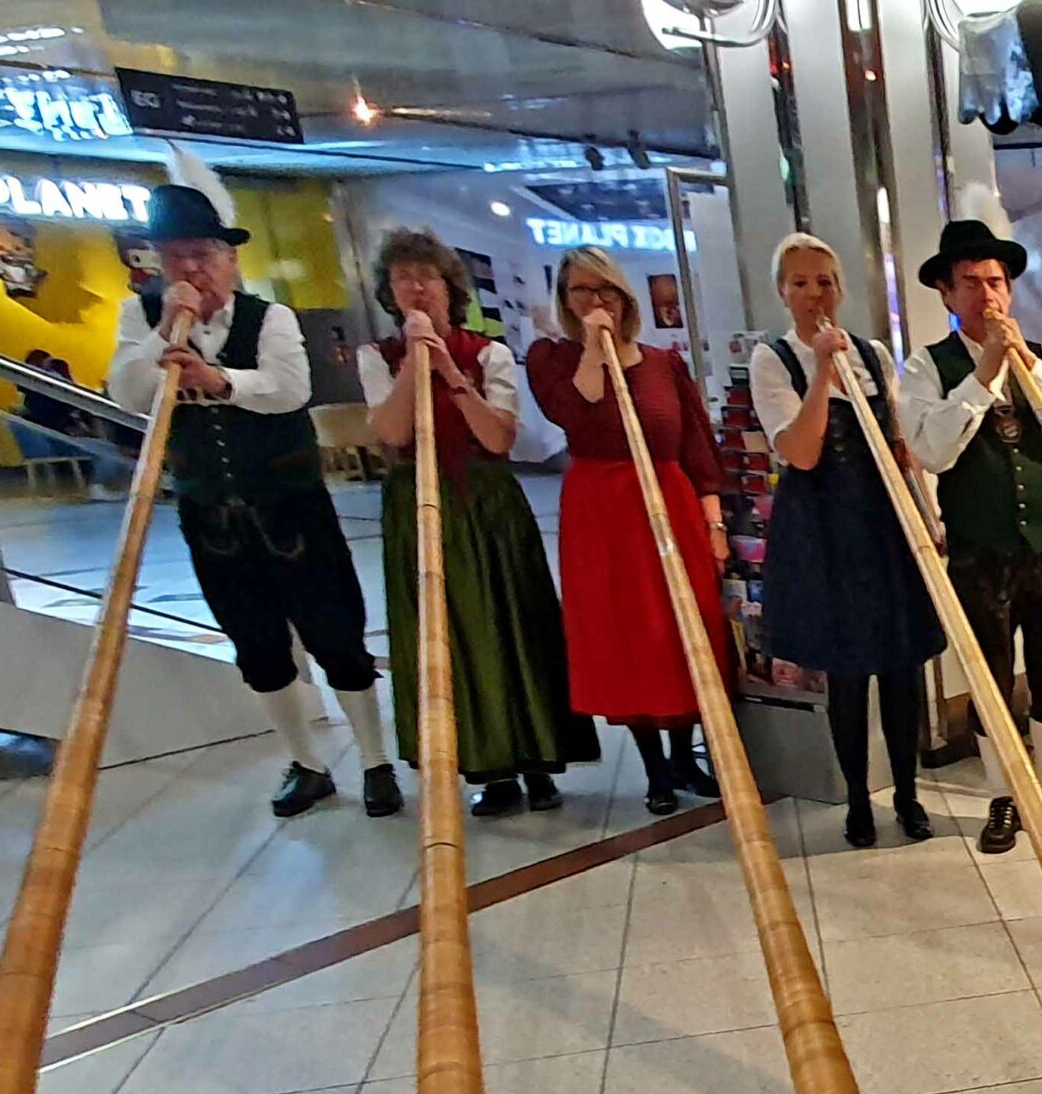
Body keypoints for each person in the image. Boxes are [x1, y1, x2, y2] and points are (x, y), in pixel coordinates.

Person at [107, 185, 398, 818]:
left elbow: (289, 389)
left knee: (337, 635)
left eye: (204, 254)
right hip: (211, 513)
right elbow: (127, 393)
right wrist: (162, 336)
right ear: (159, 261)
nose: (192, 268)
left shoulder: (271, 318)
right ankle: (307, 763)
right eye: (177, 255)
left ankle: (376, 762)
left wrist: (218, 381)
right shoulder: (139, 318)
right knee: (257, 645)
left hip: (291, 505)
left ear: (229, 258)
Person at [358, 228, 596, 816]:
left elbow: (498, 437)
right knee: (452, 635)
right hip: (417, 504)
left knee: (514, 624)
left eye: (427, 277)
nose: (417, 288)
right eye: (403, 278)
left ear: (450, 287)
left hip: (487, 503)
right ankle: (491, 768)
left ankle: (538, 759)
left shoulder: (488, 354)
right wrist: (413, 365)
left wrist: (449, 370)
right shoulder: (377, 357)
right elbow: (391, 432)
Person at [901, 218, 1042, 855]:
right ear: (946, 293)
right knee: (990, 680)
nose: (986, 295)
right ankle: (1003, 795)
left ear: (1010, 291)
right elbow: (930, 451)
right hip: (977, 549)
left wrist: (1027, 367)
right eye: (970, 283)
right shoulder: (926, 367)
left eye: (995, 282)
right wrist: (983, 373)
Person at [749, 234, 944, 848]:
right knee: (848, 671)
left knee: (902, 663)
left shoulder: (874, 354)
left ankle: (908, 794)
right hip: (823, 530)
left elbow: (899, 444)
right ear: (782, 291)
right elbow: (801, 452)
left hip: (884, 523)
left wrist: (928, 516)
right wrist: (821, 372)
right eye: (801, 283)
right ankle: (858, 799)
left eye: (826, 281)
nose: (815, 294)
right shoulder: (773, 359)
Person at [524, 248, 728, 817]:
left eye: (606, 290)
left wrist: (713, 522)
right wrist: (596, 347)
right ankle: (653, 767)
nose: (597, 301)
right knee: (626, 635)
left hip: (671, 503)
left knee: (682, 631)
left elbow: (695, 446)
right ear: (565, 300)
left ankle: (684, 754)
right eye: (582, 290)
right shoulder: (550, 359)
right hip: (604, 514)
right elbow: (575, 409)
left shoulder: (665, 364)